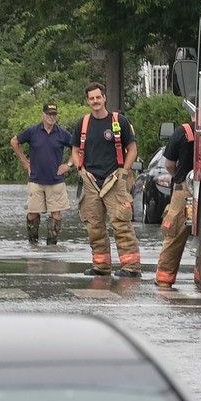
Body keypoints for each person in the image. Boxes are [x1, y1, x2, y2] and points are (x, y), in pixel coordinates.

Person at [70, 82, 141, 277]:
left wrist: (124, 172)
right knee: (94, 225)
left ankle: (131, 267)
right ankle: (101, 267)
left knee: (121, 223)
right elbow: (75, 150)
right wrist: (81, 170)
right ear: (87, 101)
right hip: (90, 180)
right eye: (91, 98)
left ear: (104, 98)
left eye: (98, 97)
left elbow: (132, 149)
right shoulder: (82, 123)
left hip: (114, 179)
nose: (95, 101)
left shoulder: (119, 121)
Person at [10, 103, 73, 245]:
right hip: (36, 179)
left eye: (54, 114)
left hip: (56, 180)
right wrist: (25, 162)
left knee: (56, 215)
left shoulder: (63, 133)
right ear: (43, 115)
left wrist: (68, 165)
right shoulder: (32, 131)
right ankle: (33, 245)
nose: (52, 117)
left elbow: (78, 148)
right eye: (49, 114)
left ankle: (52, 246)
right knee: (32, 214)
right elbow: (14, 142)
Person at [154, 122, 195, 289]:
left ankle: (164, 279)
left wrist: (178, 176)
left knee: (174, 233)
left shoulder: (182, 132)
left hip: (184, 191)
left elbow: (169, 165)